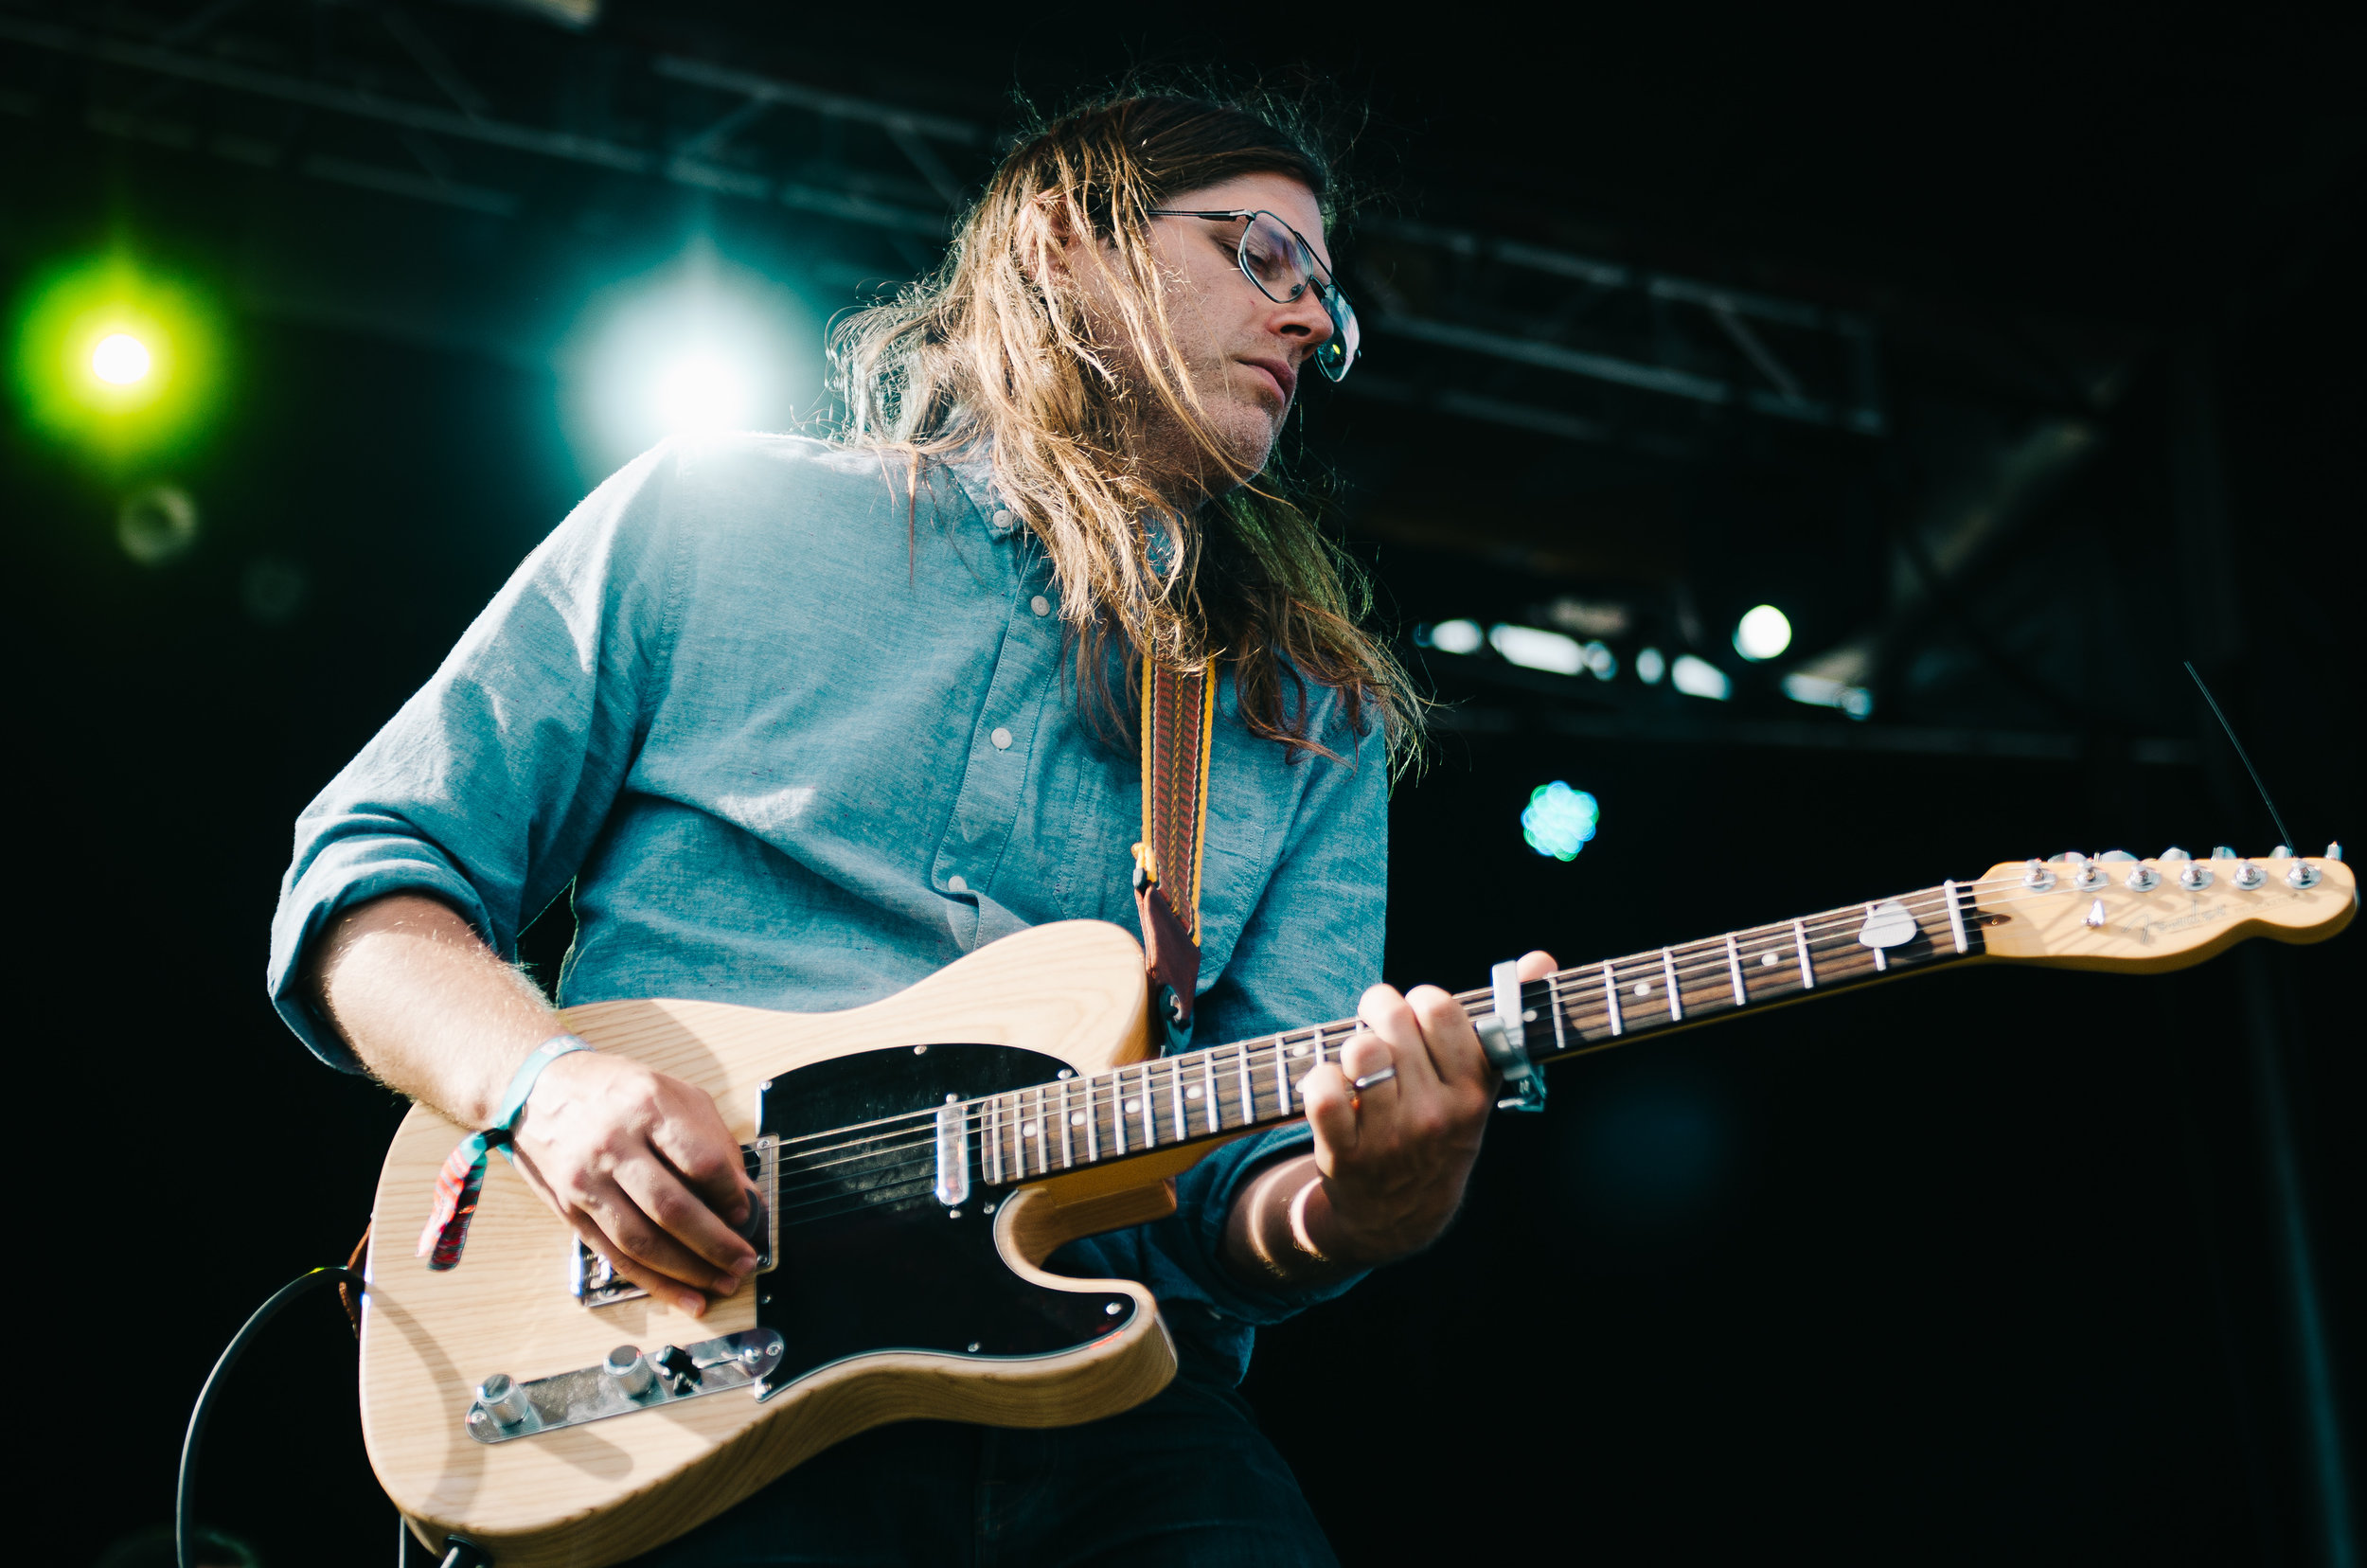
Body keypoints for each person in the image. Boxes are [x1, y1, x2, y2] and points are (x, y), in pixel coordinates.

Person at [272, 91, 1554, 1565]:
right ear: (1070, 238)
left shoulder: (1297, 715)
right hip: (677, 1341)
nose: (1307, 325)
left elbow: (1229, 1204)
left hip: (1095, 1410)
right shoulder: (710, 516)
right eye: (1266, 256)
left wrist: (1358, 1206)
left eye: (1327, 304)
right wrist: (550, 1092)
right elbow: (367, 882)